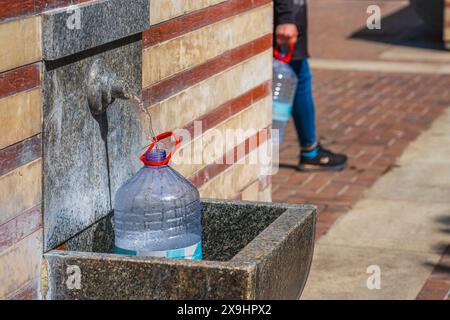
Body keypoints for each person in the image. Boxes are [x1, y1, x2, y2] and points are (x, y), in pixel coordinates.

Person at [274, 0, 348, 171]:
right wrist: (285, 18)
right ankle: (309, 151)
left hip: (291, 14)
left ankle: (310, 150)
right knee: (298, 78)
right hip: (285, 16)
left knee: (298, 76)